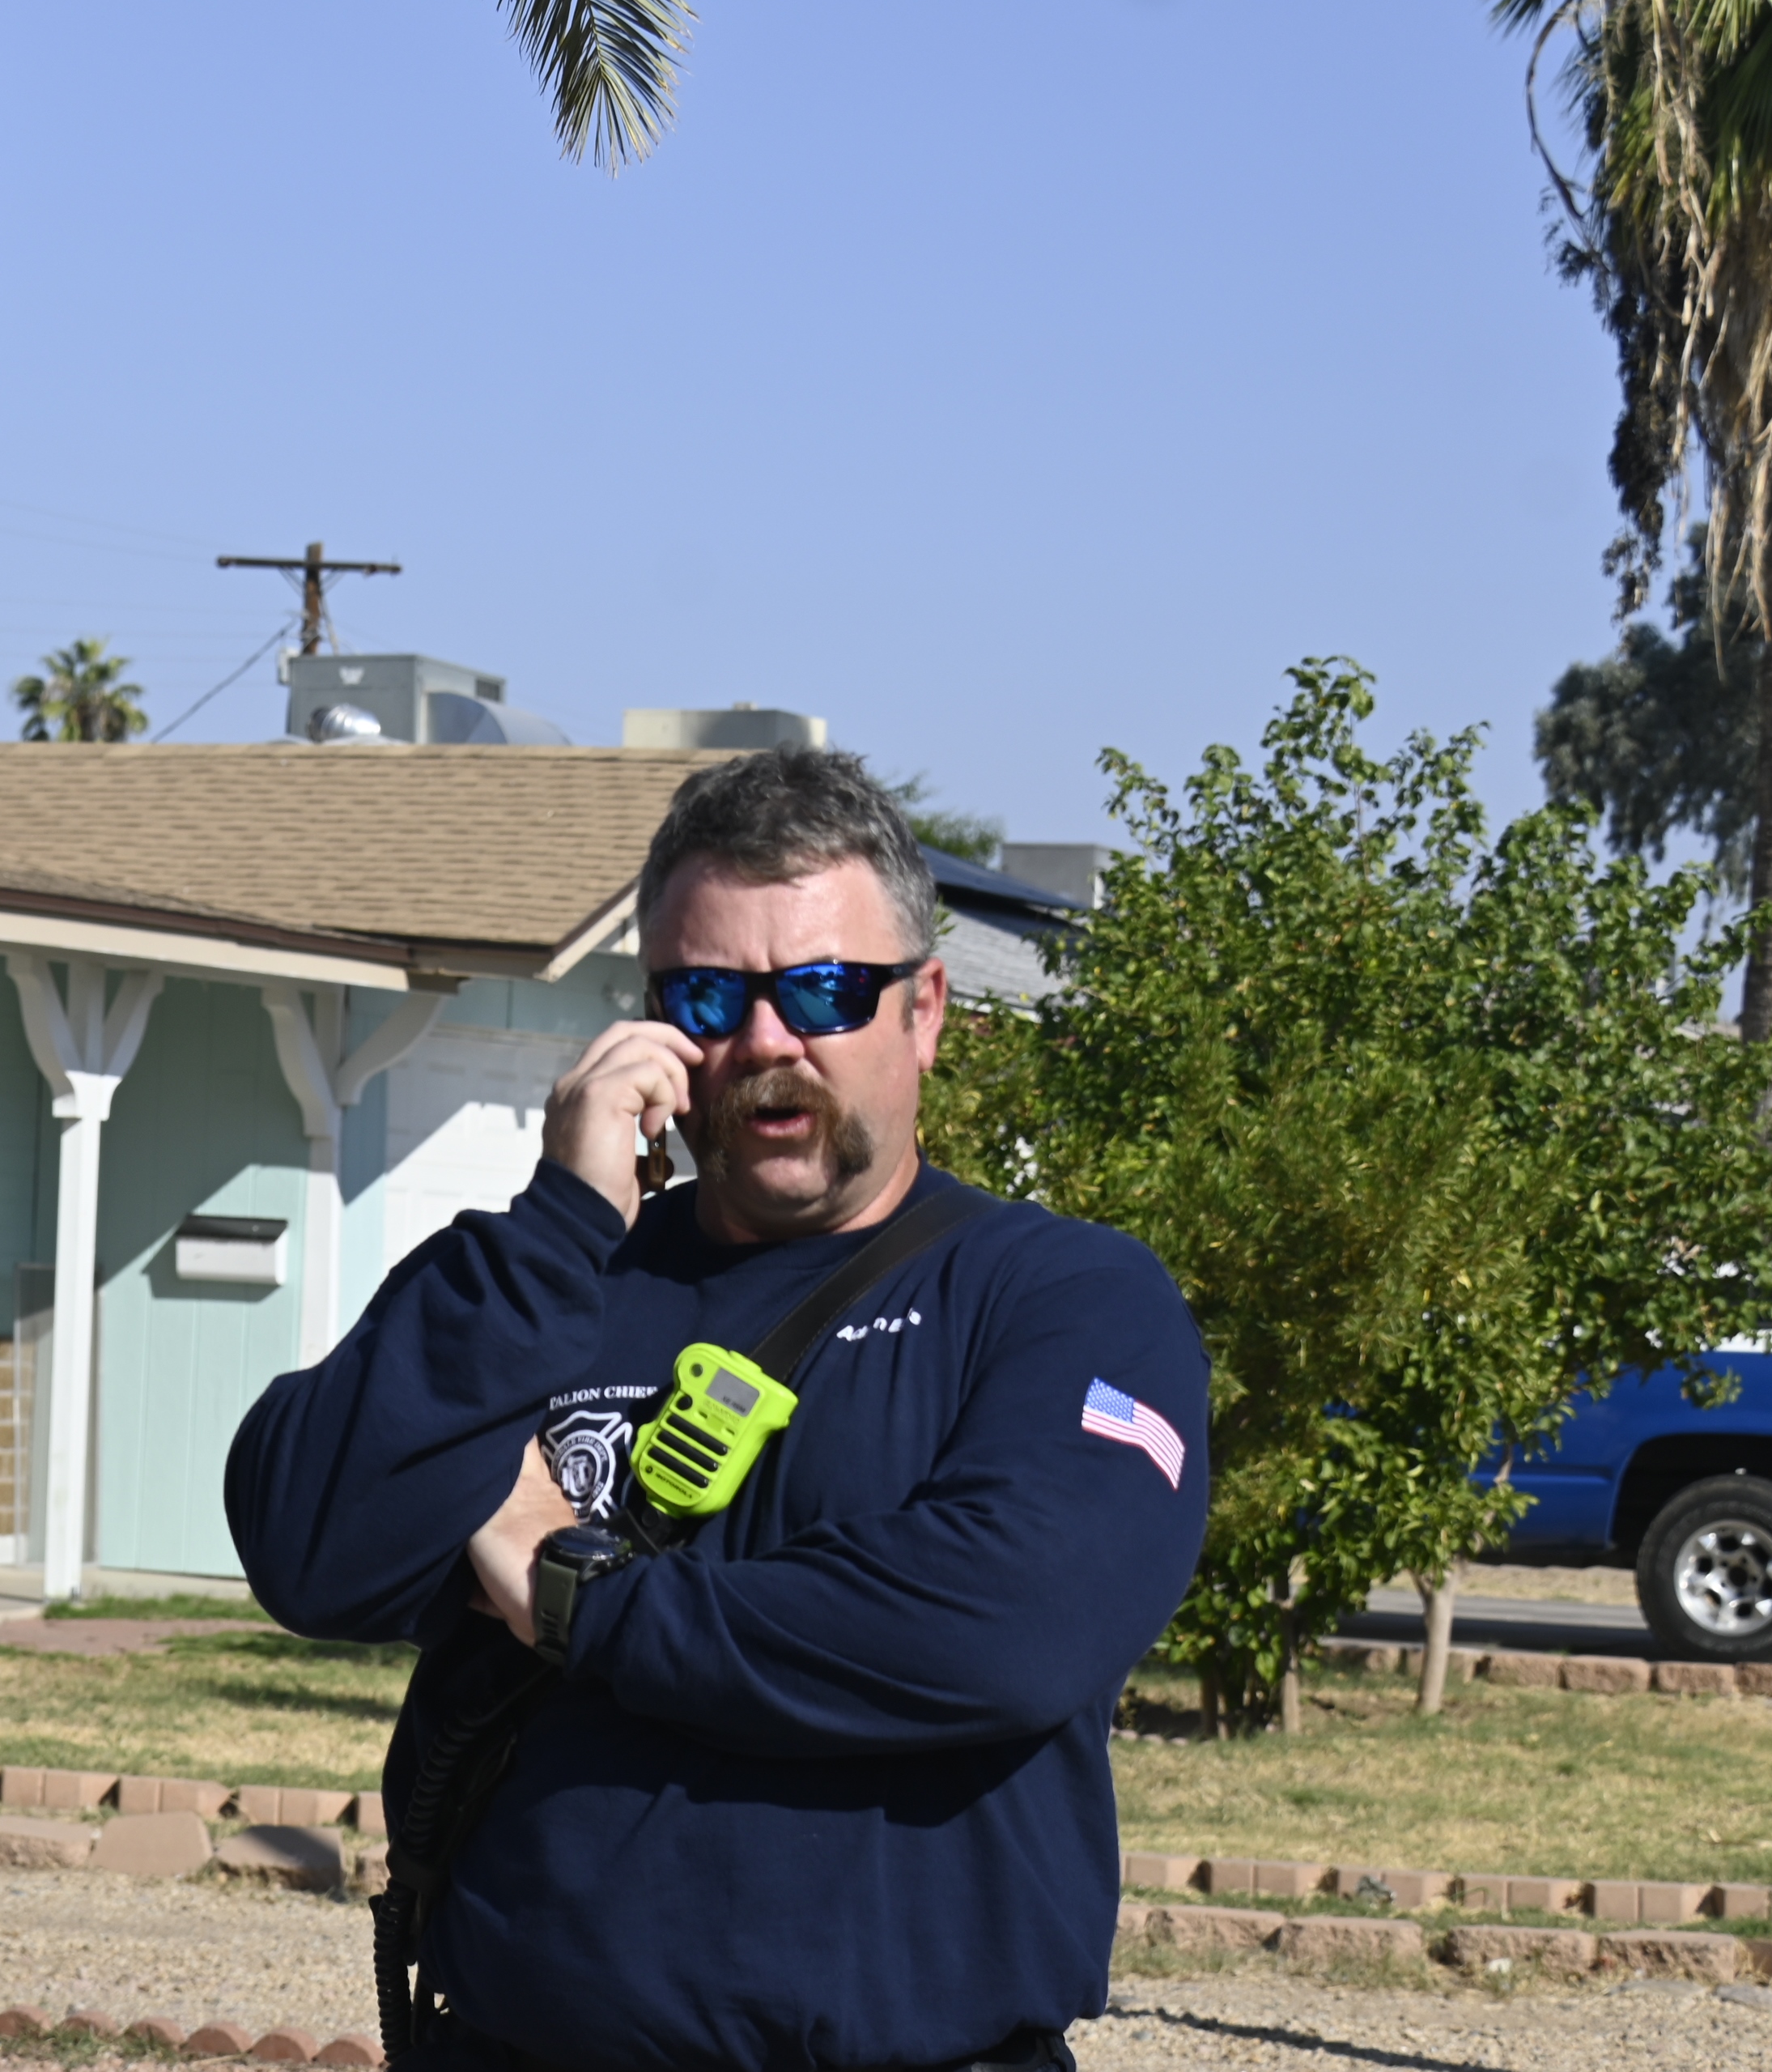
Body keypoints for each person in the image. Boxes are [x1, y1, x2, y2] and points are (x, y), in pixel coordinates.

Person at [225, 749, 1208, 2072]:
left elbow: (1007, 1623)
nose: (766, 1042)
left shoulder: (1062, 1297)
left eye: (824, 991)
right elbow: (308, 1545)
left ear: (924, 1010)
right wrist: (559, 1221)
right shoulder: (539, 1284)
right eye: (708, 997)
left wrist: (568, 1590)